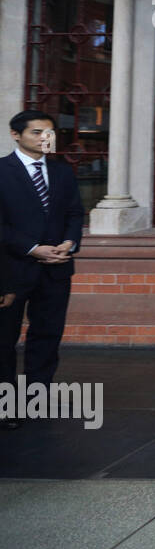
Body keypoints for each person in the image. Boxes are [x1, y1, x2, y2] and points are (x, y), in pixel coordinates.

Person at [0, 110, 84, 429]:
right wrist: (34, 249)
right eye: (37, 132)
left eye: (49, 133)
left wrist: (68, 242)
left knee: (47, 337)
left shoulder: (63, 172)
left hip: (57, 269)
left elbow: (75, 213)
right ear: (15, 135)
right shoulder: (1, 171)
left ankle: (36, 402)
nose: (45, 138)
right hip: (10, 270)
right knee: (4, 341)